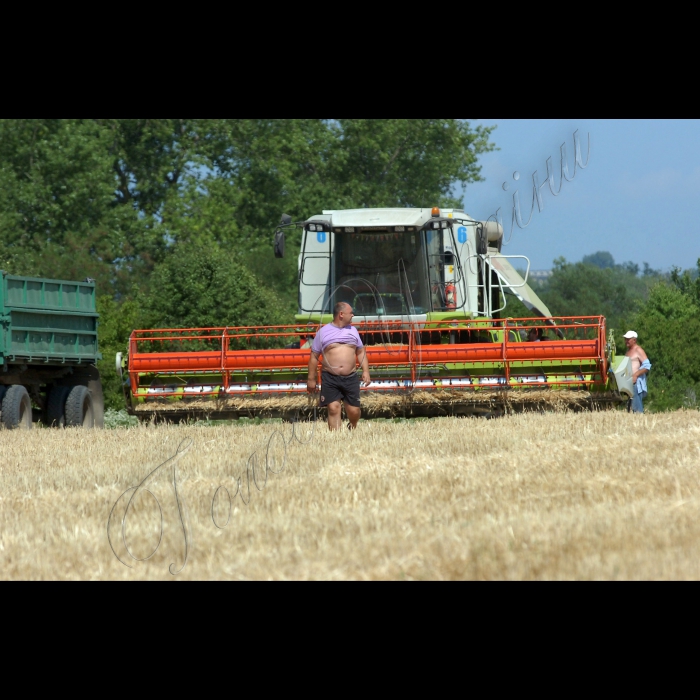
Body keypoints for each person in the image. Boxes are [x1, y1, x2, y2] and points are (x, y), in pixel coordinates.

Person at [307, 303, 371, 431]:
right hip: (330, 377)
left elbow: (360, 352)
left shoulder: (353, 331)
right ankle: (335, 438)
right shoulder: (323, 332)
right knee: (333, 408)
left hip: (351, 377)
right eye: (350, 312)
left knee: (354, 411)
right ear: (341, 314)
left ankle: (352, 425)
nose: (353, 315)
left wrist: (366, 370)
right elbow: (314, 356)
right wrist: (311, 379)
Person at [624, 331, 652, 414]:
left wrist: (635, 375)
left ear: (634, 340)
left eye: (628, 339)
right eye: (625, 339)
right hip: (628, 384)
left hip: (635, 384)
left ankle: (641, 423)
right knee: (631, 409)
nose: (626, 341)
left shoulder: (638, 350)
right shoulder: (628, 351)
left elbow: (647, 366)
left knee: (637, 409)